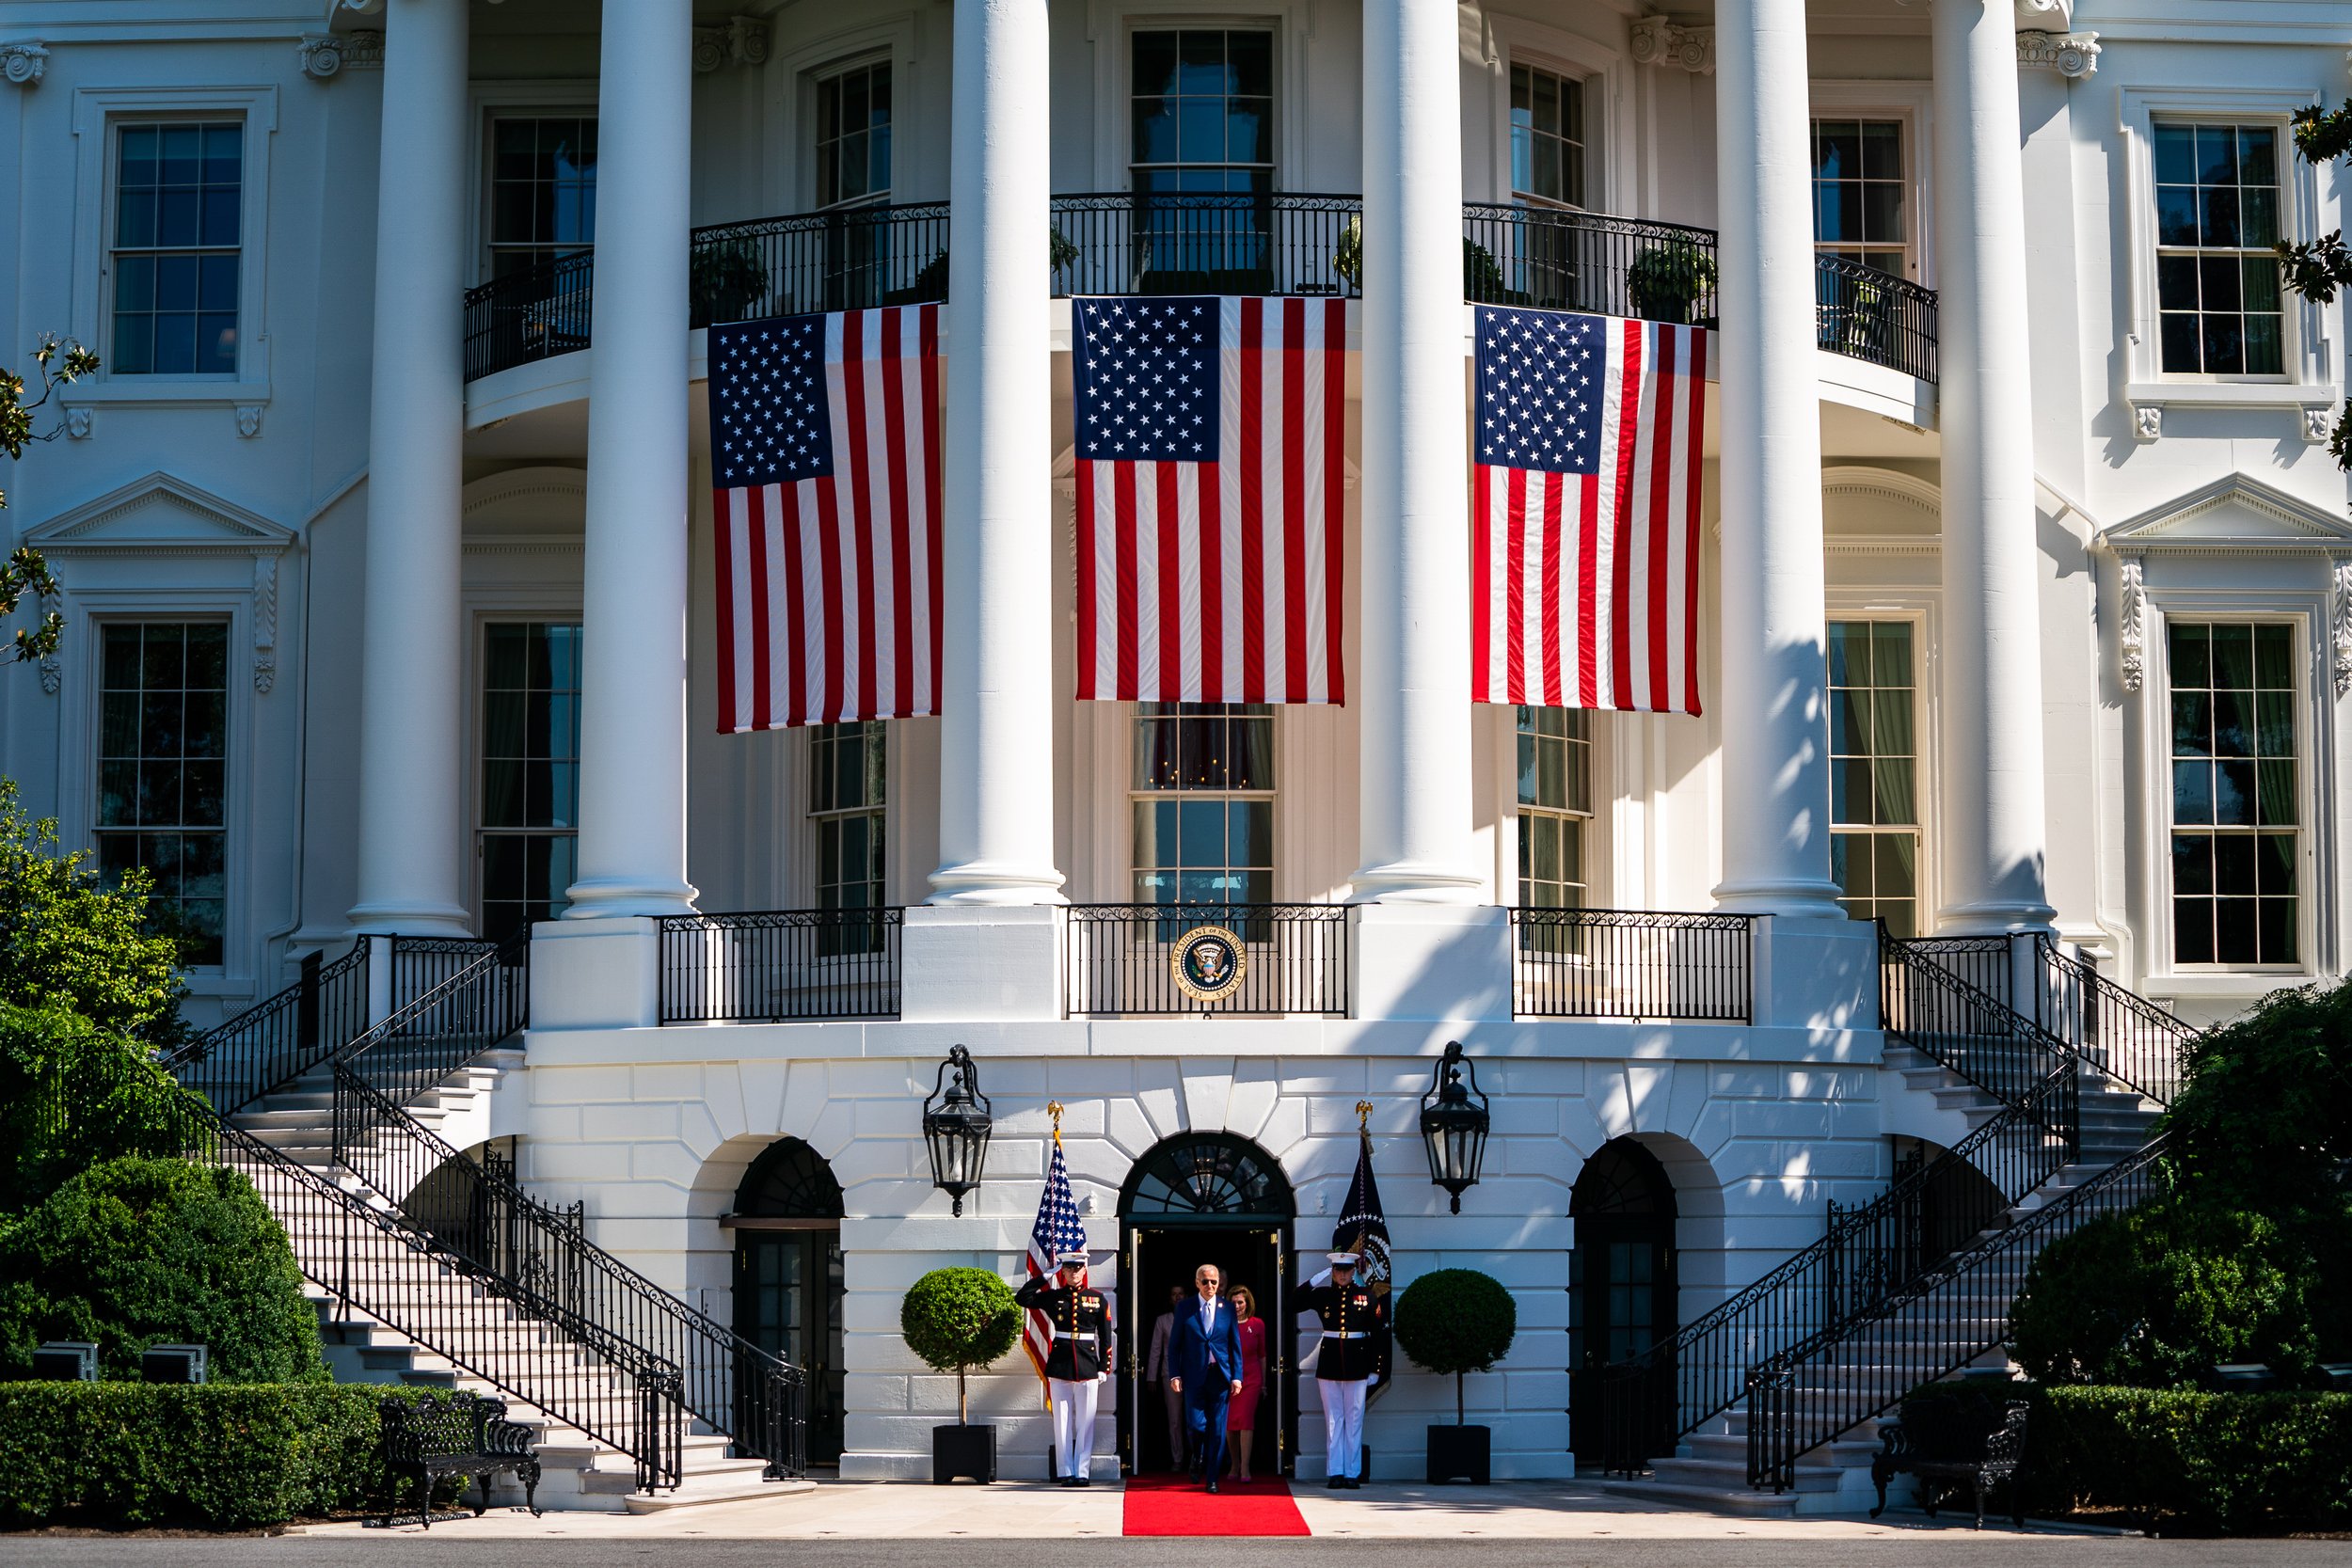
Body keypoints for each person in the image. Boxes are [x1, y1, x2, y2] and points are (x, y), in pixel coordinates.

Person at [1011, 1250, 1114, 1486]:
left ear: (1084, 1270)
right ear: (1063, 1272)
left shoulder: (1097, 1299)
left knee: (1086, 1423)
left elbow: (1106, 1338)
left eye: (1078, 1268)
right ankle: (1066, 1471)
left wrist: (1103, 1368)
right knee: (1062, 1422)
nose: (1074, 1272)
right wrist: (1044, 1277)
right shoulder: (1054, 1296)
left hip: (1088, 1365)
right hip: (1060, 1364)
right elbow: (1022, 1298)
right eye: (1069, 1269)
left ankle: (1083, 1473)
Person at [1299, 1250, 1389, 1488]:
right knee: (1333, 1421)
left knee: (1354, 1419)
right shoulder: (1323, 1295)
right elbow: (1293, 1303)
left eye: (1346, 1270)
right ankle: (1335, 1472)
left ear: (1353, 1271)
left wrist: (1376, 1368)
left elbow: (1379, 1334)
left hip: (1358, 1363)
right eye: (1338, 1270)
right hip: (1329, 1363)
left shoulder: (1366, 1296)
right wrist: (1314, 1280)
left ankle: (1352, 1473)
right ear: (1333, 1272)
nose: (1342, 1274)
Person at [1167, 1261, 1245, 1493]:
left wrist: (1237, 1376)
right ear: (1197, 1283)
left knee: (1218, 1431)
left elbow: (1234, 1344)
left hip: (1220, 1376)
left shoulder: (1227, 1308)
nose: (1209, 1285)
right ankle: (1197, 1455)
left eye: (1214, 1282)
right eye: (1205, 1281)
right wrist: (1175, 1374)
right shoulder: (1185, 1307)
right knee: (1195, 1425)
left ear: (1219, 1284)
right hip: (1193, 1376)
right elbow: (1174, 1345)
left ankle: (1211, 1478)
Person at [1144, 1282, 1188, 1473]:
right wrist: (1151, 1377)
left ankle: (1198, 1458)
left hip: (1194, 1375)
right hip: (1169, 1374)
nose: (1177, 1297)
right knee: (1175, 1420)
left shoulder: (1195, 1317)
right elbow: (1155, 1350)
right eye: (1174, 1294)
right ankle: (1177, 1459)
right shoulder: (1162, 1321)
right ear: (1169, 1299)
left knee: (1195, 1420)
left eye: (1181, 1294)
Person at [1225, 1283, 1266, 1484]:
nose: (1237, 1306)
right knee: (1231, 1424)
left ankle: (1245, 1467)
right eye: (1233, 1302)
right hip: (1230, 1378)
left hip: (1251, 1379)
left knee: (1246, 1422)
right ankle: (1234, 1463)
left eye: (1240, 1302)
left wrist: (1264, 1383)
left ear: (1247, 1303)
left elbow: (1262, 1356)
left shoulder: (1257, 1324)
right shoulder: (1223, 1323)